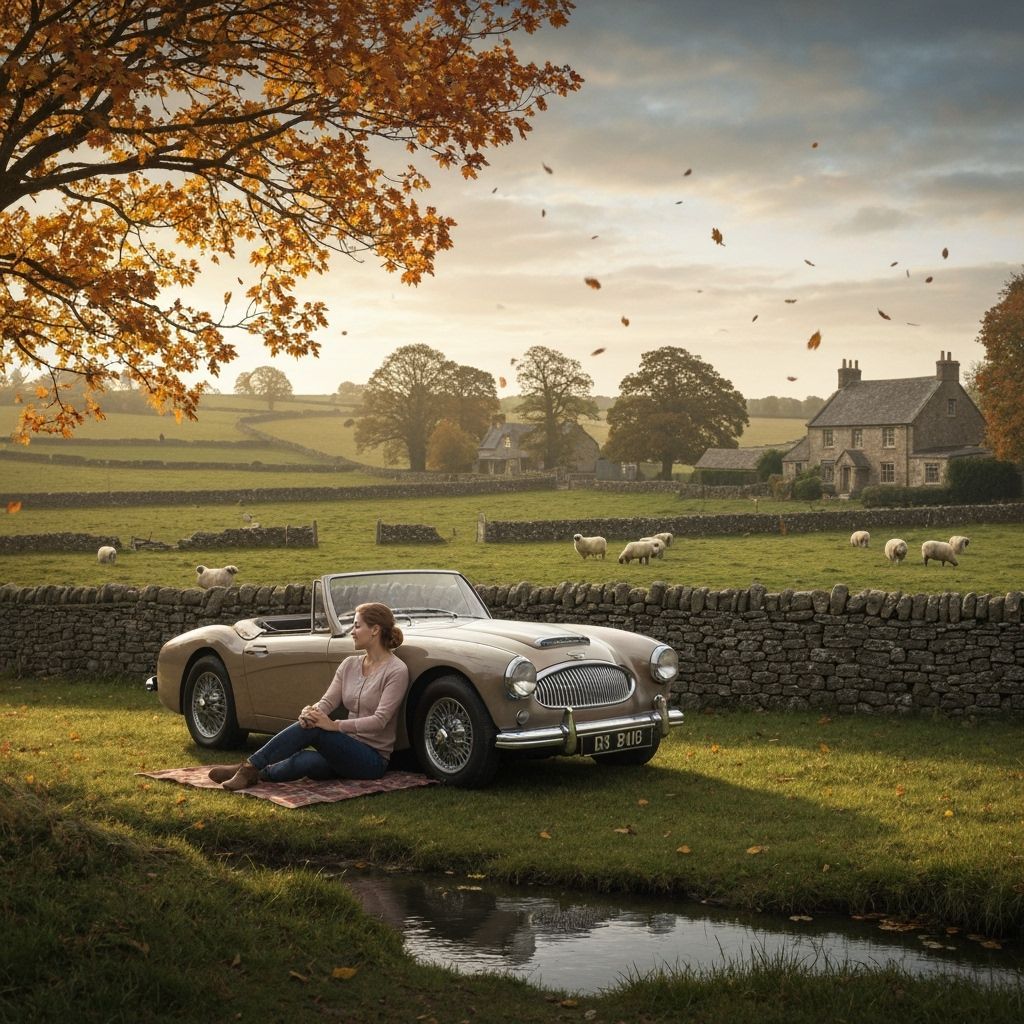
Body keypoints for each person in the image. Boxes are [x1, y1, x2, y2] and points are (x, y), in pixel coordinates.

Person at [211, 602, 410, 790]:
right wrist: (311, 711)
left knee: (318, 730)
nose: (352, 632)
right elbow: (328, 701)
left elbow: (380, 720)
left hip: (371, 760)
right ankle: (253, 771)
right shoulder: (350, 664)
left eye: (357, 626)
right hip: (342, 750)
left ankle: (247, 769)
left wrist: (335, 725)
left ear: (375, 630)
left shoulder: (396, 671)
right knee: (302, 761)